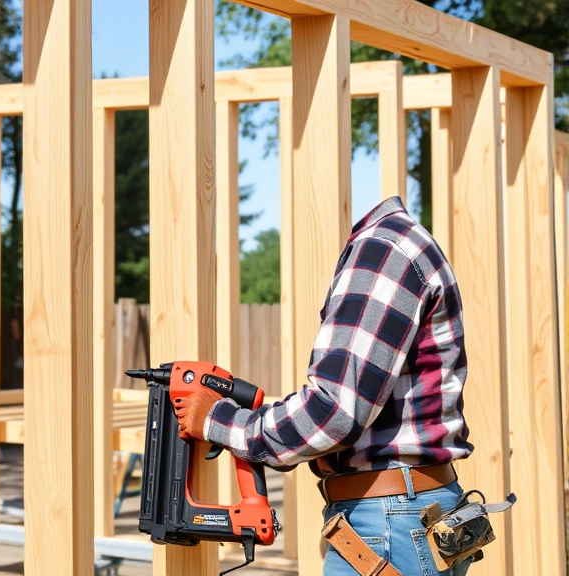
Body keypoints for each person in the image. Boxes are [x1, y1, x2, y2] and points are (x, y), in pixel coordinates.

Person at [174, 197, 473, 576]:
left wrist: (219, 420)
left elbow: (334, 413)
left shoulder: (382, 251)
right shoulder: (403, 244)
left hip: (391, 517)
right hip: (404, 512)